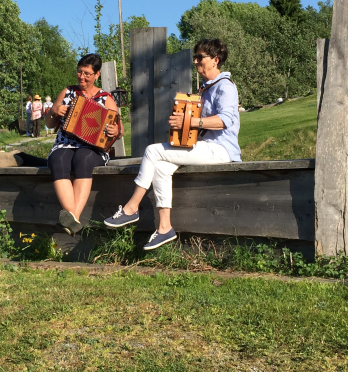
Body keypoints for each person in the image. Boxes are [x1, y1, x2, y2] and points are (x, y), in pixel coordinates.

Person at [103, 39, 241, 250]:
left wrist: (190, 121)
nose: (195, 61)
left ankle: (131, 208)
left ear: (215, 60)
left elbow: (226, 120)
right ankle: (165, 228)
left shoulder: (225, 86)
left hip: (221, 149)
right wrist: (181, 128)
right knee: (161, 167)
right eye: (195, 57)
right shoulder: (205, 88)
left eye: (200, 57)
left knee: (152, 150)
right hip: (204, 147)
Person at [44, 53, 122, 235]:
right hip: (65, 143)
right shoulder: (67, 92)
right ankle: (74, 221)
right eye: (79, 72)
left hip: (93, 148)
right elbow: (49, 124)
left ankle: (71, 217)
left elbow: (119, 130)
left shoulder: (106, 98)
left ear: (97, 75)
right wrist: (54, 111)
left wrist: (115, 132)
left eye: (87, 73)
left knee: (83, 158)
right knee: (58, 159)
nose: (82, 77)